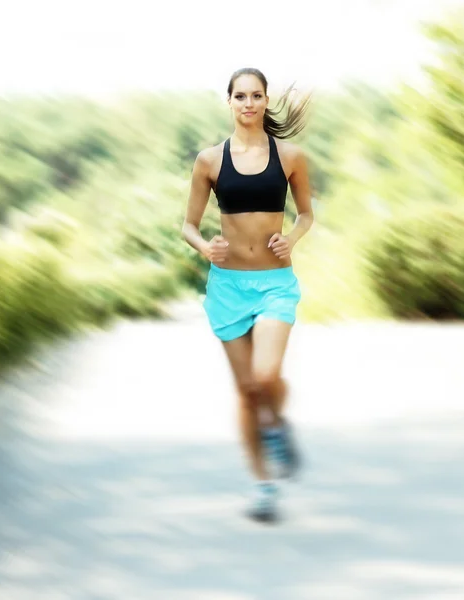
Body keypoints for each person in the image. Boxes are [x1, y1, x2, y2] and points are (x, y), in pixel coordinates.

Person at [182, 67, 313, 522]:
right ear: (230, 102)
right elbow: (188, 225)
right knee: (245, 392)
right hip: (228, 286)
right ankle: (263, 487)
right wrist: (205, 247)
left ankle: (275, 423)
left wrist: (291, 239)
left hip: (275, 282)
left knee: (265, 375)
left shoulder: (291, 156)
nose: (249, 103)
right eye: (241, 96)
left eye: (256, 95)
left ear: (265, 101)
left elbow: (306, 216)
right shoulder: (210, 161)